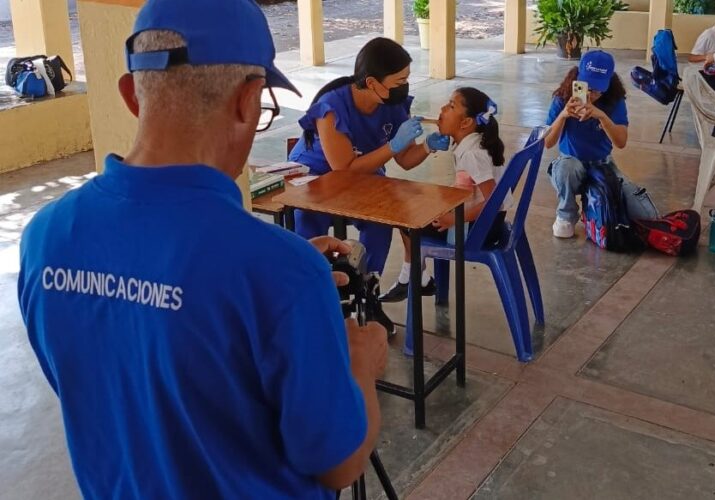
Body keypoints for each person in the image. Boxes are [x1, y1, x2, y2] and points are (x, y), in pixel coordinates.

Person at [17, 0, 388, 498]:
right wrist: (360, 363)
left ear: (131, 94)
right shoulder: (285, 272)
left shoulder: (46, 237)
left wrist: (279, 284)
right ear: (247, 100)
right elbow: (339, 465)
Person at [288, 37, 449, 334]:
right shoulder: (332, 106)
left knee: (382, 220)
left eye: (407, 79)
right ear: (372, 82)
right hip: (317, 174)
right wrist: (393, 144)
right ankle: (311, 302)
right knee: (309, 222)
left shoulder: (393, 103)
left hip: (363, 174)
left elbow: (405, 160)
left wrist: (426, 146)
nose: (405, 86)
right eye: (399, 80)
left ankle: (368, 295)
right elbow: (343, 169)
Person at [380, 87, 511, 302]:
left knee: (406, 221)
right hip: (482, 222)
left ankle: (410, 279)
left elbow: (493, 202)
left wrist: (452, 219)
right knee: (413, 207)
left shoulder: (471, 154)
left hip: (477, 229)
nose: (442, 108)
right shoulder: (473, 143)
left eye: (451, 106)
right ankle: (416, 278)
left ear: (466, 123)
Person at [544, 50, 657, 239]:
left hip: (602, 164)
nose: (591, 93)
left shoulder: (614, 101)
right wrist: (563, 115)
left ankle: (594, 204)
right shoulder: (562, 98)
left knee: (645, 215)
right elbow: (547, 142)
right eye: (586, 86)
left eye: (597, 89)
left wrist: (602, 116)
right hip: (570, 162)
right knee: (567, 168)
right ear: (577, 79)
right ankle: (565, 215)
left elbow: (621, 142)